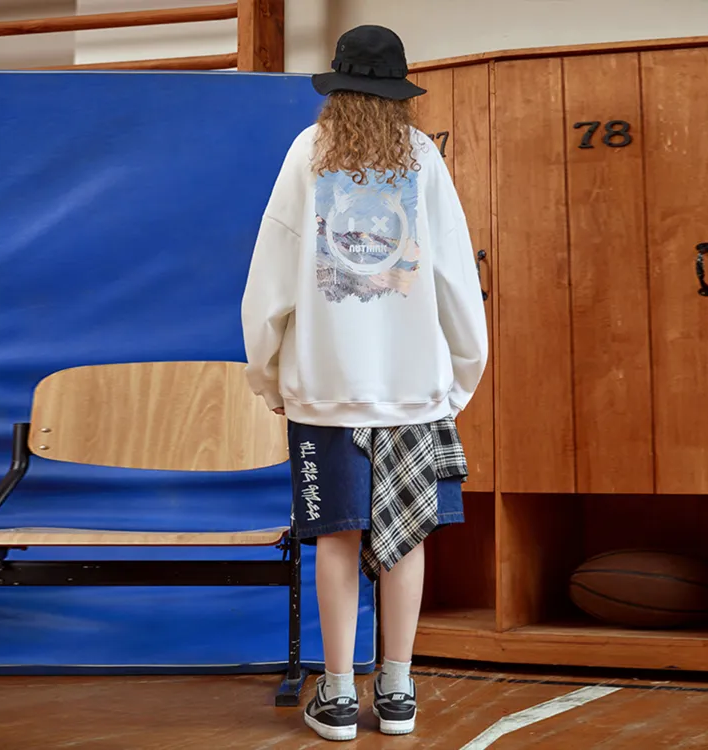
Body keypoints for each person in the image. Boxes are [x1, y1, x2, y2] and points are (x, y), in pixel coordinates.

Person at [241, 24, 488, 742]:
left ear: (337, 88)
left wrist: (268, 374)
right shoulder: (423, 156)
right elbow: (453, 274)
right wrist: (460, 375)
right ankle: (399, 690)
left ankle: (341, 695)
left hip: (326, 387)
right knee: (408, 537)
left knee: (337, 539)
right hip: (412, 389)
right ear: (400, 94)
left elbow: (270, 279)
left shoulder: (307, 152)